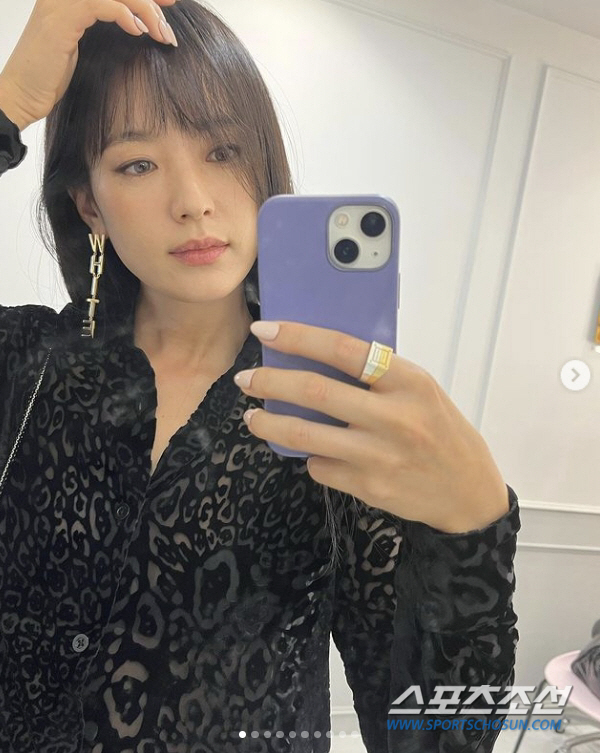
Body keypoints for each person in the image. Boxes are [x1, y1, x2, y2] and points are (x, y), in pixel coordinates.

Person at [0, 1, 521, 751]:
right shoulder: (25, 361)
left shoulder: (334, 414)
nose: (193, 202)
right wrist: (11, 101)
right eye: (137, 164)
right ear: (89, 204)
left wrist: (473, 525)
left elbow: (435, 735)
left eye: (222, 151)